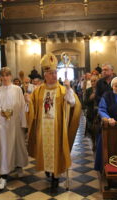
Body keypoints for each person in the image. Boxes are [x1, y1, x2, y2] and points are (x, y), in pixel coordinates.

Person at [27, 53, 81, 189]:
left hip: (57, 126)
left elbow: (73, 103)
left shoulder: (63, 90)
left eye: (55, 72)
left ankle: (55, 177)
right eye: (51, 73)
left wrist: (69, 88)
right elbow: (31, 108)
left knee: (56, 151)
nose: (54, 75)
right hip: (42, 127)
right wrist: (27, 102)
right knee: (44, 150)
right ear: (45, 75)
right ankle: (47, 168)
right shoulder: (38, 91)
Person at [0, 67, 28, 190]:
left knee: (17, 145)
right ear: (0, 77)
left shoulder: (17, 89)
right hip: (3, 125)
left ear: (11, 76)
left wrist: (24, 123)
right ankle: (3, 175)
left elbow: (22, 106)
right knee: (3, 148)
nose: (5, 78)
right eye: (3, 75)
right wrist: (0, 112)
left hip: (16, 123)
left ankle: (19, 166)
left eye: (7, 75)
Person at [83, 75, 99, 150]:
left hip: (99, 112)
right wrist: (90, 98)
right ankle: (93, 143)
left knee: (98, 129)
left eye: (94, 81)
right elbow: (85, 102)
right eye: (91, 81)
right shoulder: (88, 90)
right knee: (91, 129)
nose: (93, 82)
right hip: (91, 112)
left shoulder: (100, 90)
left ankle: (99, 143)